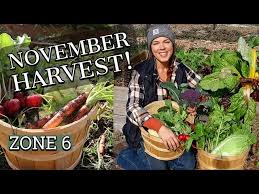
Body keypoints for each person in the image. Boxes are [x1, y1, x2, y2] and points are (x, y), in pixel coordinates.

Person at [116, 24, 201, 170]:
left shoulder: (181, 68)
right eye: (156, 43)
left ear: (172, 44)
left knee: (187, 165)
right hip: (146, 133)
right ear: (151, 48)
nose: (162, 47)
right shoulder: (140, 73)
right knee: (158, 167)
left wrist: (192, 102)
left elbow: (201, 87)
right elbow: (132, 107)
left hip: (175, 129)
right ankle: (125, 156)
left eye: (166, 42)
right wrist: (159, 127)